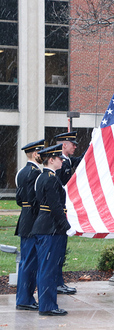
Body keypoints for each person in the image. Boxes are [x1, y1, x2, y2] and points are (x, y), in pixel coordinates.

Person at [31, 144, 70, 316]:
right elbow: (55, 206)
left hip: (43, 226)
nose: (62, 161)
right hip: (51, 228)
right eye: (59, 158)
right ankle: (47, 306)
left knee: (44, 267)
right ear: (51, 159)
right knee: (49, 268)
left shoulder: (41, 177)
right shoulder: (51, 179)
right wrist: (66, 226)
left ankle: (46, 304)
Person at [14, 139, 44, 311]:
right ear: (35, 154)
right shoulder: (35, 173)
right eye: (40, 153)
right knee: (30, 262)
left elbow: (20, 199)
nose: (42, 156)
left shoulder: (22, 172)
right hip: (33, 221)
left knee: (26, 261)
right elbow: (35, 200)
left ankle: (23, 297)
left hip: (25, 219)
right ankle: (25, 299)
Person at [53, 131, 83, 295]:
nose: (76, 146)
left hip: (62, 210)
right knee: (57, 251)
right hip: (57, 212)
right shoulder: (58, 163)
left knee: (60, 250)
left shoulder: (67, 161)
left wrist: (95, 141)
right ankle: (56, 283)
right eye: (73, 144)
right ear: (64, 145)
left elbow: (83, 160)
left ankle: (59, 282)